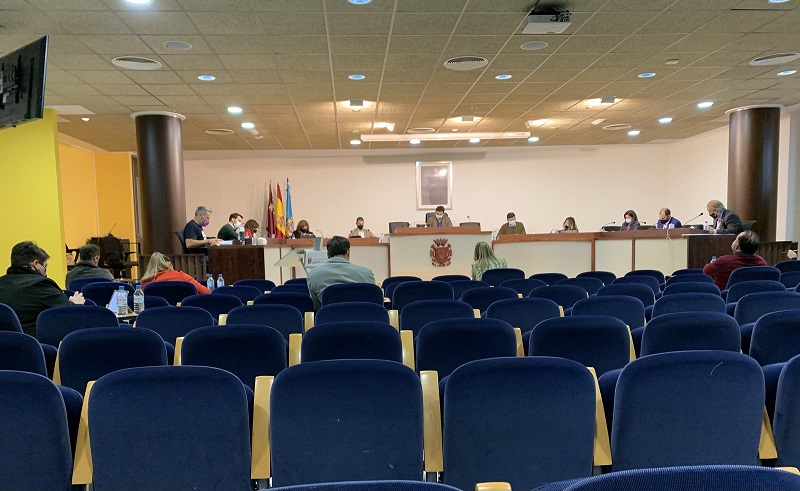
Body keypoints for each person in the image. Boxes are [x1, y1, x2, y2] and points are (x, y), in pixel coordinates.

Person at [0, 241, 85, 336]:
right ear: (36, 264)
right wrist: (75, 304)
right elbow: (67, 313)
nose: (45, 271)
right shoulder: (41, 284)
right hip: (32, 343)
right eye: (45, 266)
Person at [306, 236, 375, 310]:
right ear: (348, 252)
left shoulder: (313, 275)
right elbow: (373, 302)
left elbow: (316, 306)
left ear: (328, 254)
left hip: (329, 316)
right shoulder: (367, 273)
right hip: (361, 316)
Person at [703, 231, 767, 289]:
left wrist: (713, 264)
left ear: (737, 246)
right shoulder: (762, 263)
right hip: (752, 297)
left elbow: (706, 271)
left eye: (736, 239)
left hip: (726, 297)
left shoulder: (723, 261)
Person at [140, 252, 210, 294]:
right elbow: (206, 292)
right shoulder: (181, 276)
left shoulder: (146, 282)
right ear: (169, 264)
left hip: (156, 314)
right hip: (182, 313)